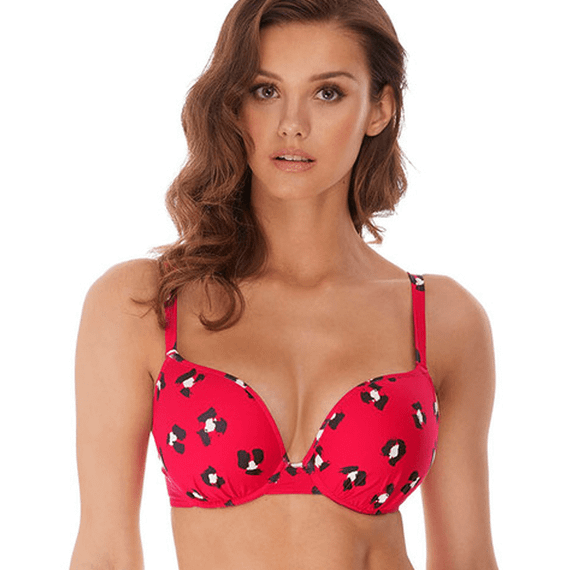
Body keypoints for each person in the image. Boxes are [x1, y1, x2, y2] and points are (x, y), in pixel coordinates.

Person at [70, 0, 499, 569]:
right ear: (233, 103)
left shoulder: (441, 317)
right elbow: (105, 553)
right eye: (265, 90)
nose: (292, 124)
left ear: (379, 109)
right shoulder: (146, 304)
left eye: (328, 93)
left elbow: (468, 560)